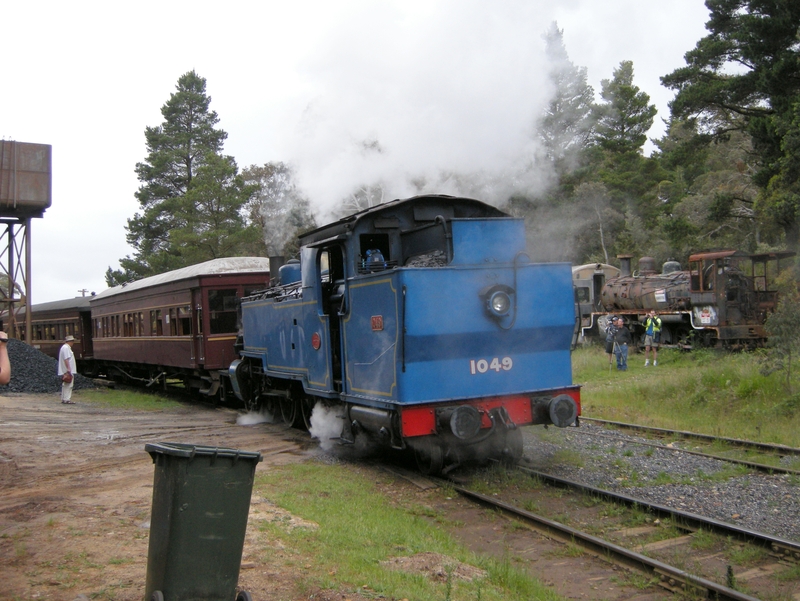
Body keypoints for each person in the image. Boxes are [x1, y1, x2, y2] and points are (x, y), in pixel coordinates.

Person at [58, 335, 77, 404]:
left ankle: (64, 398)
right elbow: (66, 359)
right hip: (68, 370)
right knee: (69, 385)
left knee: (65, 384)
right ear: (70, 342)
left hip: (66, 370)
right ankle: (67, 399)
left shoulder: (64, 347)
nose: (73, 343)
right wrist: (69, 369)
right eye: (72, 341)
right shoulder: (66, 348)